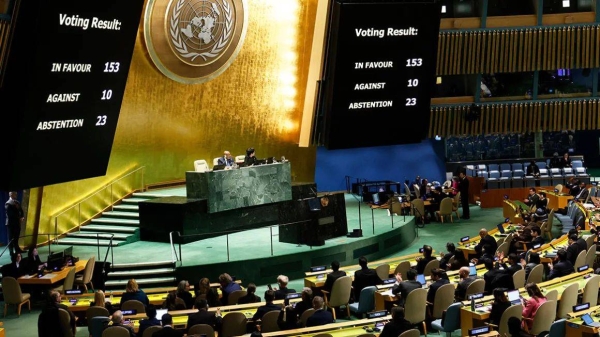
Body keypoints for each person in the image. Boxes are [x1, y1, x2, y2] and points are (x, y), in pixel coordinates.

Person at [5, 191, 24, 256]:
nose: (16, 194)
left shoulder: (17, 202)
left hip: (17, 223)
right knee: (11, 238)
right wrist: (18, 218)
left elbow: (21, 211)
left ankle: (17, 250)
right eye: (14, 193)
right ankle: (11, 251)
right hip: (11, 224)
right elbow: (10, 214)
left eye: (16, 193)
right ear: (10, 194)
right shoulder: (8, 203)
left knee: (16, 237)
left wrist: (22, 217)